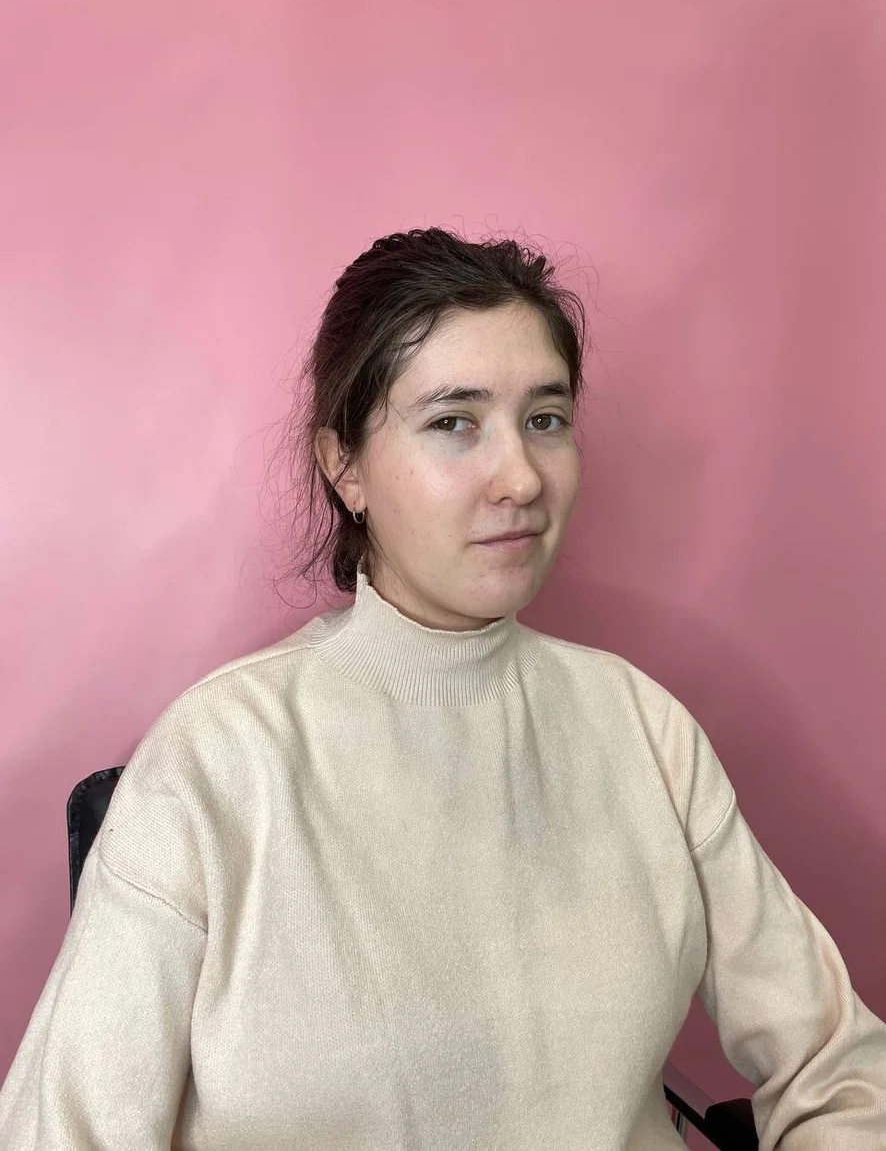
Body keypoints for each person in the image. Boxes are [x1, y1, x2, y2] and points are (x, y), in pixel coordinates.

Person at [1, 227, 884, 1150]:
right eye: (454, 422)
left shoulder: (640, 727)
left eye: (545, 418)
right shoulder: (216, 760)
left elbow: (842, 1069)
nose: (521, 477)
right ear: (345, 465)